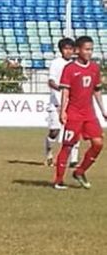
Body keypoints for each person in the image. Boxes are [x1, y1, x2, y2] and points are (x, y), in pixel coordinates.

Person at [53, 36, 105, 190]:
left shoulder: (94, 68)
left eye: (91, 49)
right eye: (86, 49)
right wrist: (63, 111)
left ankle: (80, 171)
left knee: (98, 143)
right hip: (74, 113)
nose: (89, 52)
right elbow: (65, 92)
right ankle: (59, 180)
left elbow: (96, 91)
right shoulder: (69, 69)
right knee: (68, 145)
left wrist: (103, 110)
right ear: (78, 50)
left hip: (89, 113)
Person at [45, 38, 79, 167]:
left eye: (71, 49)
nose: (69, 51)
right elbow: (51, 81)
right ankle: (48, 151)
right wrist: (60, 88)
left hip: (71, 103)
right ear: (61, 50)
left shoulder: (75, 64)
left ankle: (73, 160)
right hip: (56, 103)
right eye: (66, 49)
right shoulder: (56, 63)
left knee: (74, 130)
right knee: (55, 131)